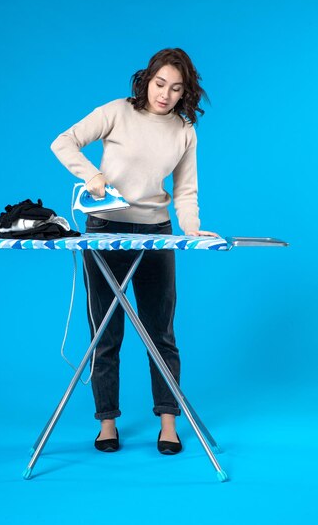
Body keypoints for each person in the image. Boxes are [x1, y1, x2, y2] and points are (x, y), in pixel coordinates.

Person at [50, 47, 219, 455]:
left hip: (156, 234)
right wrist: (91, 175)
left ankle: (168, 423)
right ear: (147, 80)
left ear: (185, 94)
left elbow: (186, 189)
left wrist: (192, 230)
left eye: (176, 89)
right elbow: (63, 142)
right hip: (105, 231)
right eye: (161, 84)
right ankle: (107, 423)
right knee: (106, 333)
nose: (166, 94)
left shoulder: (183, 131)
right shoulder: (116, 112)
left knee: (160, 331)